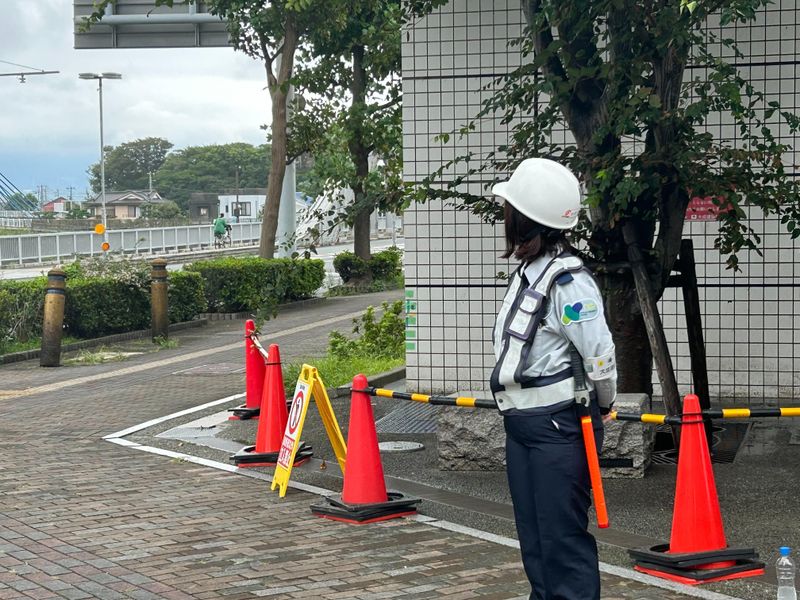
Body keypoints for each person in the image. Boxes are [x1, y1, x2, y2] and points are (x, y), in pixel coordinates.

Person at [490, 158, 617, 600]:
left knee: (561, 539)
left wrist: (602, 405)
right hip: (522, 424)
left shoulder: (569, 281)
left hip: (560, 426)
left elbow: (599, 354)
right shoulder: (530, 272)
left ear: (524, 217)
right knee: (535, 538)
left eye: (509, 209)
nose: (504, 216)